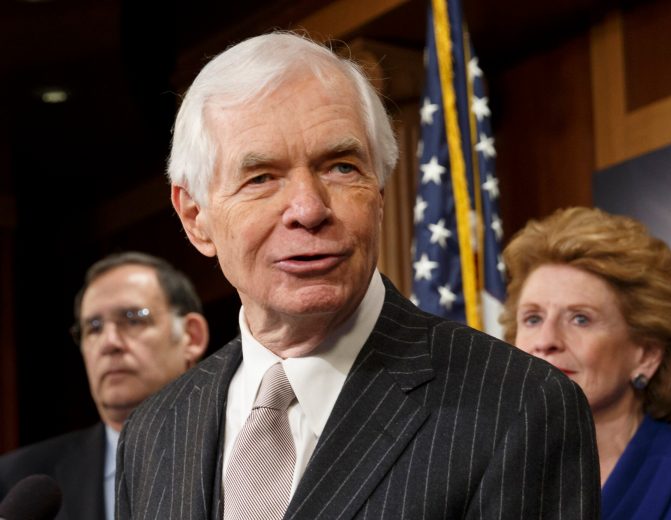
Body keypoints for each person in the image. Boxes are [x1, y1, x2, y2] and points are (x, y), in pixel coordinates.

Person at [114, 32, 600, 519]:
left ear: (380, 193)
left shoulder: (519, 405)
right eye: (261, 178)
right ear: (195, 216)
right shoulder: (154, 431)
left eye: (341, 168)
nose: (308, 209)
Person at [502, 206, 671, 519]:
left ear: (647, 355)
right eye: (532, 318)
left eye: (580, 318)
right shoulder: (493, 488)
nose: (546, 340)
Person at [0, 251, 209, 520]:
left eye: (133, 319)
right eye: (94, 328)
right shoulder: (14, 480)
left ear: (191, 336)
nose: (109, 342)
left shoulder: (241, 450)